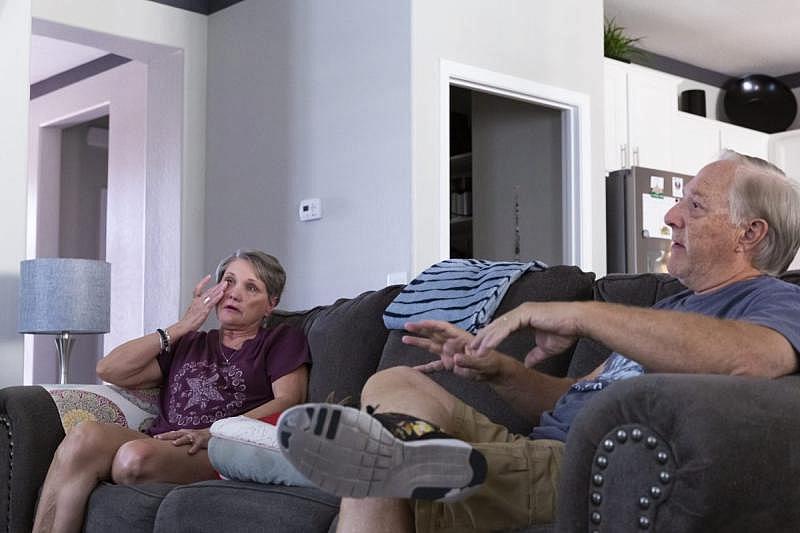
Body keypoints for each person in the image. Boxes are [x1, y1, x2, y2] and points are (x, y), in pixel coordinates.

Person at [277, 151, 800, 533]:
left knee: (370, 472)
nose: (670, 215)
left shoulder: (773, 301)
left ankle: (398, 457)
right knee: (395, 378)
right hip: (533, 447)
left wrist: (584, 314)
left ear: (749, 234)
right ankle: (416, 452)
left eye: (696, 205)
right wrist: (497, 371)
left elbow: (758, 357)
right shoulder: (670, 310)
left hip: (585, 464)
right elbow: (571, 399)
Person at [33, 249, 311, 533]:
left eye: (251, 287)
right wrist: (183, 326)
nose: (234, 294)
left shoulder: (281, 339)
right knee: (83, 435)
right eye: (228, 282)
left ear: (270, 304)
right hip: (161, 440)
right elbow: (109, 369)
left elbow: (288, 400)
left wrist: (215, 432)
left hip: (217, 448)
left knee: (133, 458)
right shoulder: (190, 342)